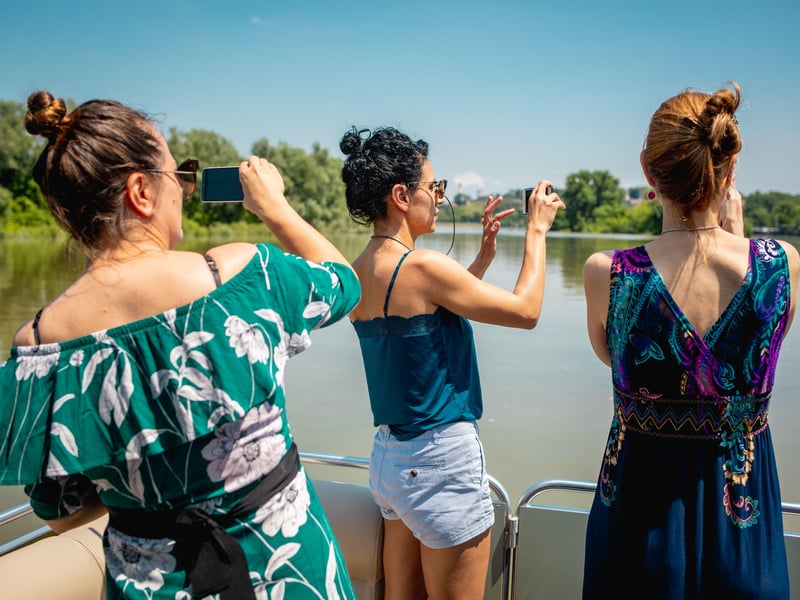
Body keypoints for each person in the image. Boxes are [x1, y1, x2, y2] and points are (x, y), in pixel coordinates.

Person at [0, 91, 361, 600]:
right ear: (142, 191)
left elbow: (62, 513)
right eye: (179, 177)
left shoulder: (37, 350)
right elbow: (344, 282)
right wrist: (275, 207)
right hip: (284, 570)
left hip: (151, 587)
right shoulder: (240, 276)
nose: (185, 192)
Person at [582, 82, 800, 598]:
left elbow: (611, 359)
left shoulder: (608, 276)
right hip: (745, 541)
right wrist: (738, 231)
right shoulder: (782, 267)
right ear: (730, 170)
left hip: (634, 538)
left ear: (647, 169)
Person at [338, 126, 564, 599]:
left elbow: (429, 313)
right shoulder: (422, 268)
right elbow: (526, 311)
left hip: (390, 461)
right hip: (441, 461)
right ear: (401, 195)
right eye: (434, 188)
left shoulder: (359, 270)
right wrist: (537, 232)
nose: (440, 199)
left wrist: (481, 259)